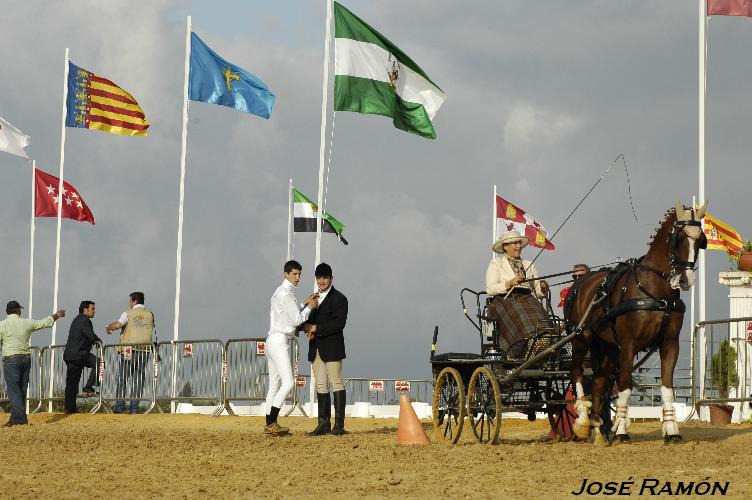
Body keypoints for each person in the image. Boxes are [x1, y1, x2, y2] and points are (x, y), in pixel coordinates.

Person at [264, 260, 318, 436]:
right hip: (279, 341)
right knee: (288, 382)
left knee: (274, 385)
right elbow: (295, 320)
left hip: (273, 340)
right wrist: (310, 307)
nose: (298, 277)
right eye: (295, 274)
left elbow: (290, 316)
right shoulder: (286, 294)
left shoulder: (280, 292)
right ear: (286, 274)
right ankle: (272, 422)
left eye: (299, 274)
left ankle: (269, 423)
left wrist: (304, 305)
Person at [0, 300, 65, 426]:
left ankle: (19, 420)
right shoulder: (26, 322)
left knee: (14, 390)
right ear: (18, 310)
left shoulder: (2, 325)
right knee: (22, 390)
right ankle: (14, 419)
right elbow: (44, 323)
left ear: (7, 311)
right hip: (25, 358)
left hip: (11, 359)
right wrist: (57, 314)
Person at [485, 230, 550, 352]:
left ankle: (544, 340)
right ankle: (524, 345)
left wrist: (542, 287)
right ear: (505, 246)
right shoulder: (496, 263)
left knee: (541, 317)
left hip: (528, 299)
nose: (518, 246)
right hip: (504, 300)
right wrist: (509, 283)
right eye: (515, 243)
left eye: (519, 243)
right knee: (519, 311)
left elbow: (538, 292)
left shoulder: (528, 264)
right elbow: (490, 288)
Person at [303, 262, 349, 436]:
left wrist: (315, 328)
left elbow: (338, 324)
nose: (322, 281)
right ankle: (323, 423)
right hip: (316, 348)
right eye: (319, 278)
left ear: (331, 278)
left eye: (325, 278)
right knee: (321, 385)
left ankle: (339, 425)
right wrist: (306, 305)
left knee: (336, 382)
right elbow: (302, 320)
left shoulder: (339, 299)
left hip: (332, 347)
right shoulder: (313, 298)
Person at [105, 292, 154, 414]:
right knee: (138, 380)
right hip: (145, 350)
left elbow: (119, 324)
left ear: (134, 301)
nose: (129, 303)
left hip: (128, 350)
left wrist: (108, 327)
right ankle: (134, 409)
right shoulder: (150, 314)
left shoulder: (127, 313)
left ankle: (120, 408)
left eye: (130, 300)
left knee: (123, 378)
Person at [63, 300, 102, 413]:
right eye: (92, 309)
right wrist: (98, 341)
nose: (94, 311)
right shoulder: (85, 320)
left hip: (70, 355)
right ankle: (88, 387)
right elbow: (89, 334)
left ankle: (69, 408)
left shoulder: (77, 319)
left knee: (72, 383)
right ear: (85, 310)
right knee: (99, 362)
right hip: (79, 354)